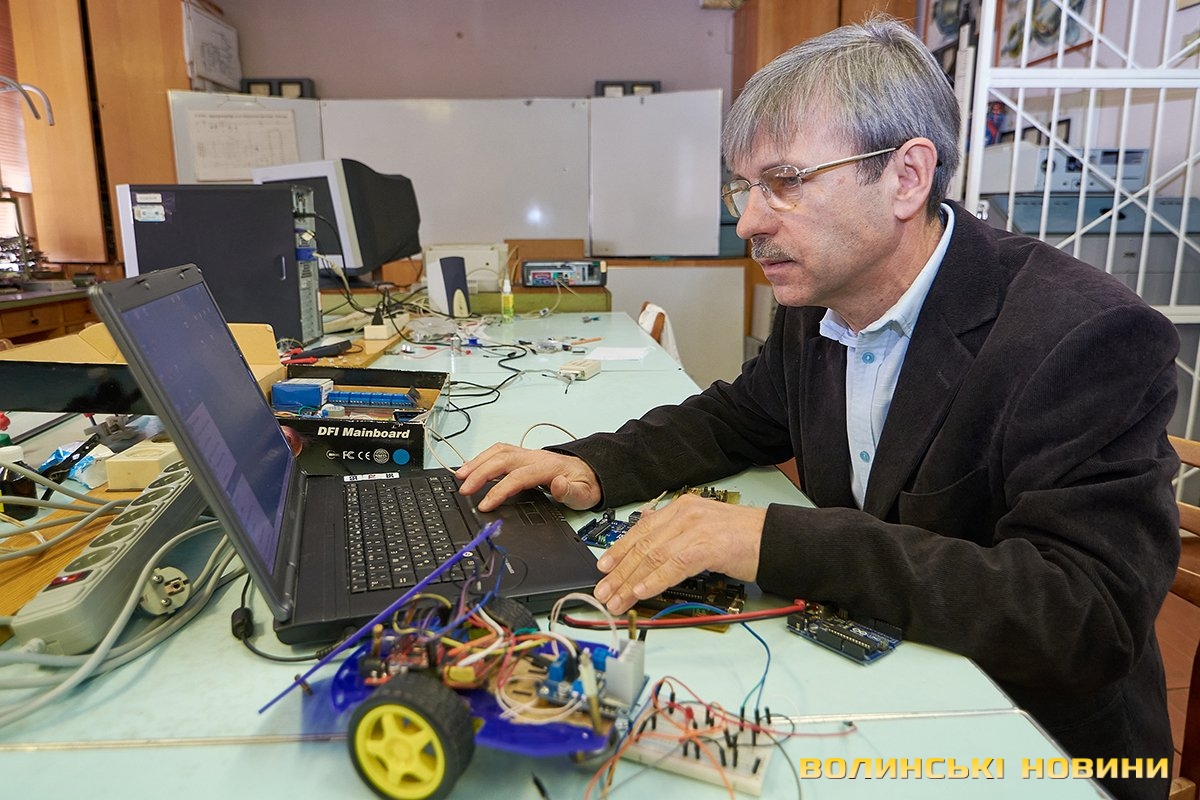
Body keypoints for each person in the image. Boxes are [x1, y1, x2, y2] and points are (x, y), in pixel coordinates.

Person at [457, 17, 1179, 800]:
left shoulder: (1086, 334)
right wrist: (590, 465)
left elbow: (1084, 616)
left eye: (786, 181)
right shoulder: (824, 299)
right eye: (745, 187)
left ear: (906, 177)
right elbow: (737, 417)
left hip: (1040, 748)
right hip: (884, 681)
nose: (749, 221)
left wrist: (770, 539)